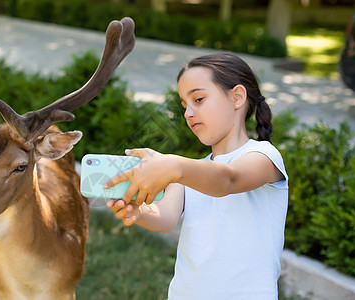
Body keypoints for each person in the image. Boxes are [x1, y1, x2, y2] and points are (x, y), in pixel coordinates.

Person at [104, 53, 289, 300]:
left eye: (198, 99)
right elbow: (165, 217)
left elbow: (228, 180)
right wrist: (138, 212)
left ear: (237, 97)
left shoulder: (264, 156)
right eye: (184, 105)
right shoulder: (193, 171)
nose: (188, 113)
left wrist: (173, 166)